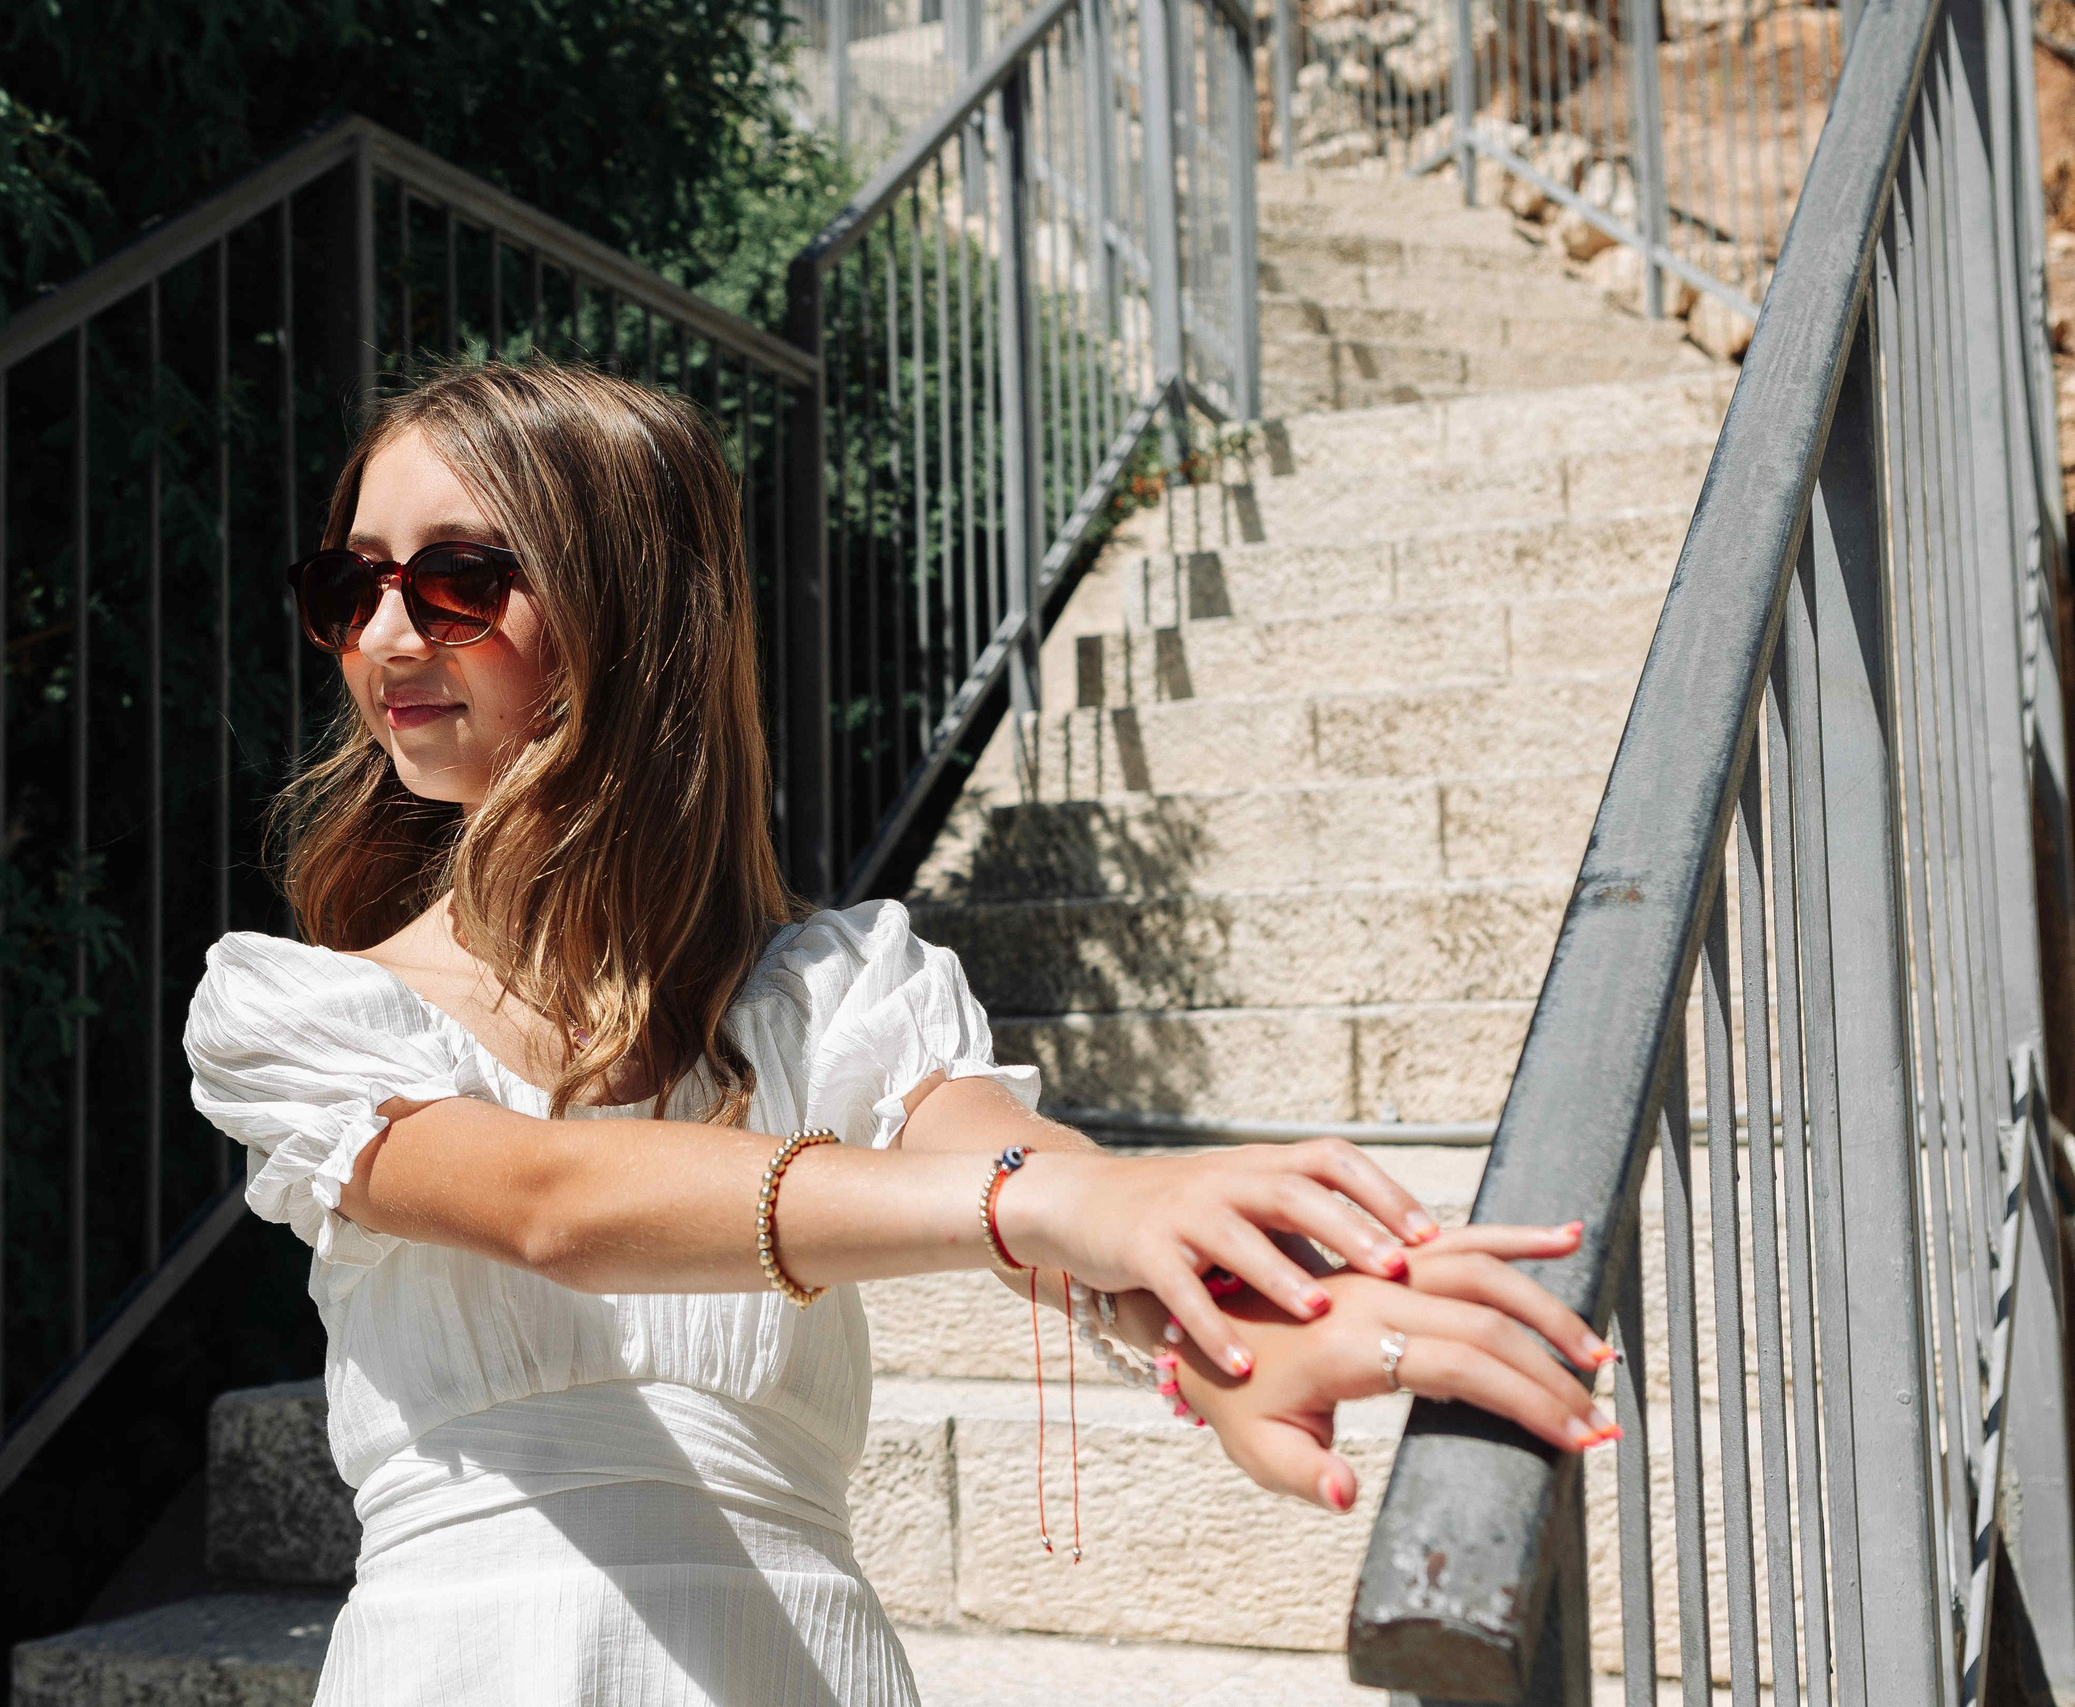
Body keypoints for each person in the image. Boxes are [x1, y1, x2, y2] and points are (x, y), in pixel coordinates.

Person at [184, 362, 1615, 1707]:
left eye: (455, 580)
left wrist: (1235, 1328)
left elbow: (1018, 1168)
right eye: (349, 583)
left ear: (629, 612)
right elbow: (554, 1206)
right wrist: (1054, 1205)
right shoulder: (298, 1015)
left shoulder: (837, 989)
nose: (380, 637)